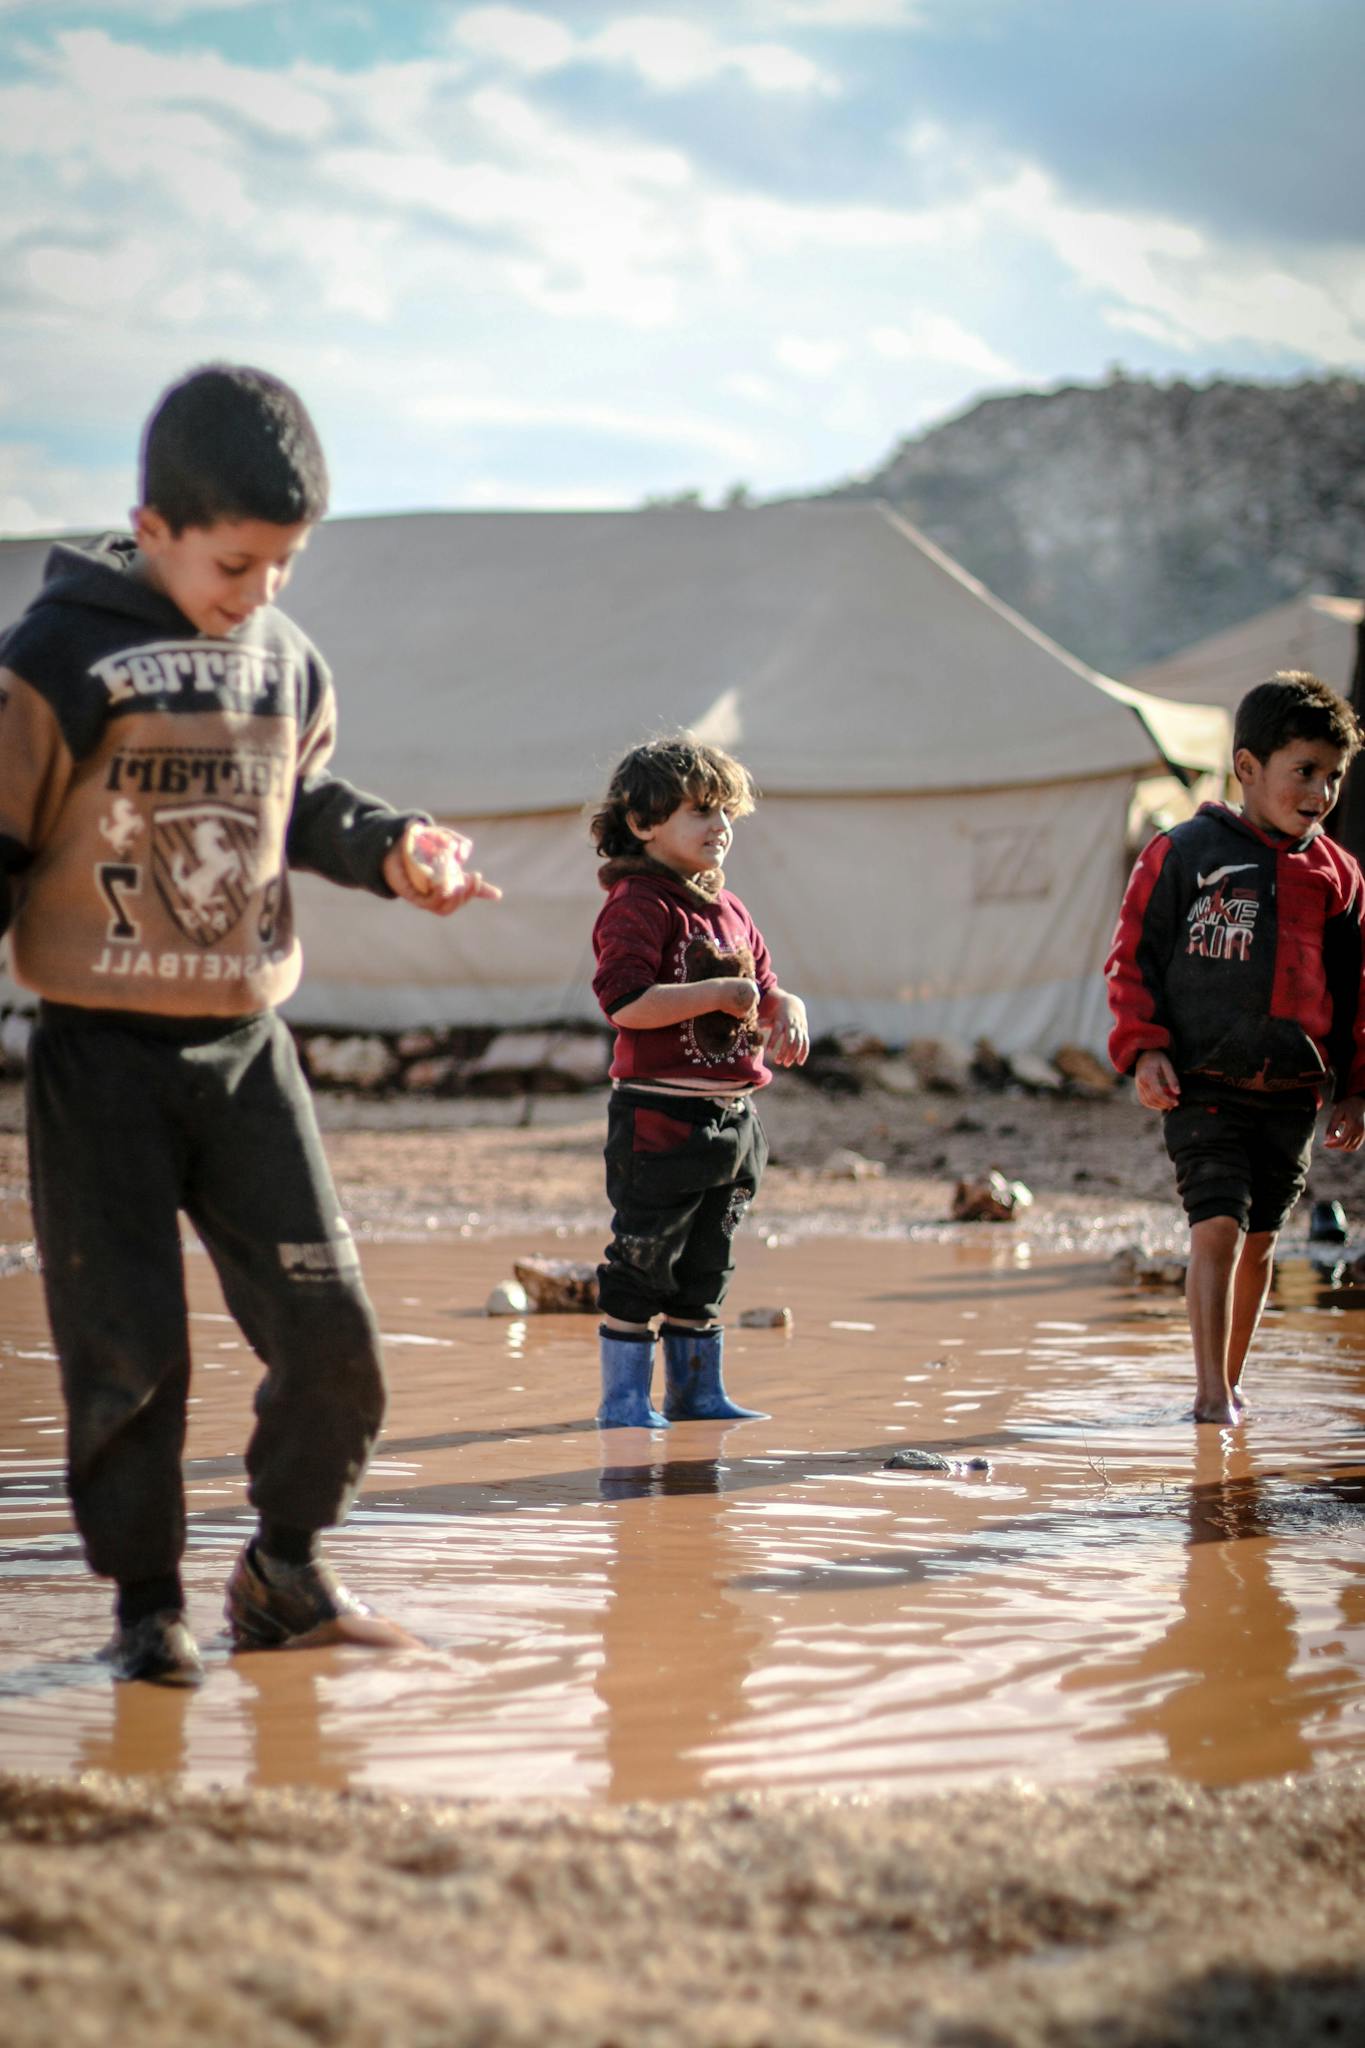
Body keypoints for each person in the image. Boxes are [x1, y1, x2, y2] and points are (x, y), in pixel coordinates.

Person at [0, 363, 500, 1685]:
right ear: (153, 527)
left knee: (333, 1341)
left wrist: (397, 851)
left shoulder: (286, 664)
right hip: (96, 1058)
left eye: (284, 566)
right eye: (234, 563)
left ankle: (285, 1575)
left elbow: (302, 806)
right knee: (128, 1363)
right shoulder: (54, 660)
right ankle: (145, 1612)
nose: (258, 593)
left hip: (243, 1057)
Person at [1106, 670, 1365, 1423]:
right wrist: (1143, 1049)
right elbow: (1133, 958)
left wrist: (1352, 1088)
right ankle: (1208, 1395)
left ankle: (1232, 1378)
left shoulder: (1338, 877)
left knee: (1259, 1242)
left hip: (1290, 1090)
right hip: (1202, 1080)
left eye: (1333, 776)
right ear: (1246, 769)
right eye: (1303, 772)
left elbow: (1355, 994)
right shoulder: (1183, 852)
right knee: (1215, 1223)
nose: (1319, 792)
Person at [589, 735, 809, 1428]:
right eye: (699, 812)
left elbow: (763, 989)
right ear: (643, 823)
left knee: (709, 1263)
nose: (719, 828)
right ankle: (623, 1402)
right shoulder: (636, 905)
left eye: (725, 814)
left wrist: (788, 1010)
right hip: (659, 1118)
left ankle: (696, 1394)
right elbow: (625, 1003)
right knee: (644, 1257)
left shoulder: (730, 908)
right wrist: (714, 996)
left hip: (734, 1120)